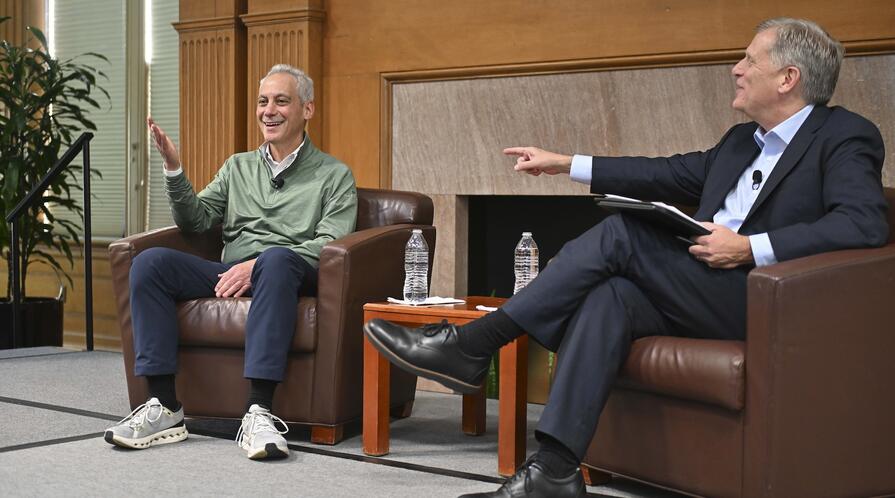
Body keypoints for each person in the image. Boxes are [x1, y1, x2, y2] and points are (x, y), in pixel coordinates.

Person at [364, 18, 888, 497]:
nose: (736, 68)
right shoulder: (740, 143)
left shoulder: (844, 136)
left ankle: (473, 345)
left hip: (768, 301)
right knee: (611, 296)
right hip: (700, 287)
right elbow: (662, 172)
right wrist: (565, 163)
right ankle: (554, 471)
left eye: (750, 59)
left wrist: (749, 246)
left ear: (788, 78)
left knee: (623, 233)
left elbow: (864, 223)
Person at [105, 64, 358, 460]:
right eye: (262, 101)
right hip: (231, 272)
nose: (268, 111)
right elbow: (196, 220)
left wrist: (257, 264)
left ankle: (259, 412)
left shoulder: (334, 174)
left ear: (307, 109)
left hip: (288, 270)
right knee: (150, 263)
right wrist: (174, 169)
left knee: (275, 260)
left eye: (281, 101)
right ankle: (164, 407)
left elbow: (329, 243)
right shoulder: (238, 167)